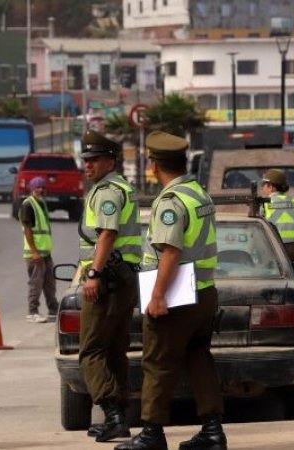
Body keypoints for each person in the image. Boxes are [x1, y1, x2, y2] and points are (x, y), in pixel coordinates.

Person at [116, 131, 226, 450]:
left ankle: (152, 434)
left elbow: (170, 251)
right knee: (198, 358)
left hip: (176, 297)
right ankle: (212, 431)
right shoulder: (198, 194)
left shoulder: (171, 201)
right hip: (204, 291)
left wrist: (157, 295)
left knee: (158, 363)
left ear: (154, 164)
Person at [77, 130, 142, 443]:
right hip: (123, 278)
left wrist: (94, 274)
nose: (88, 165)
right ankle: (120, 418)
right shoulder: (122, 188)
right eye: (86, 160)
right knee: (115, 350)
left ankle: (112, 413)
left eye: (95, 160)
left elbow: (107, 234)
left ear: (111, 162)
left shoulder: (106, 192)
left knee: (91, 350)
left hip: (108, 280)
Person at [19, 176, 59, 323]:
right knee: (36, 283)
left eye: (43, 187)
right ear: (31, 189)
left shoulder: (41, 203)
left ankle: (53, 310)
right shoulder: (28, 204)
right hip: (35, 253)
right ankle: (32, 312)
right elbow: (27, 229)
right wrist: (34, 251)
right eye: (37, 187)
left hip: (45, 252)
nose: (41, 190)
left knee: (50, 283)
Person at [261, 169, 294, 264]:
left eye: (263, 184)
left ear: (270, 186)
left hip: (273, 251)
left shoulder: (265, 204)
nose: (262, 187)